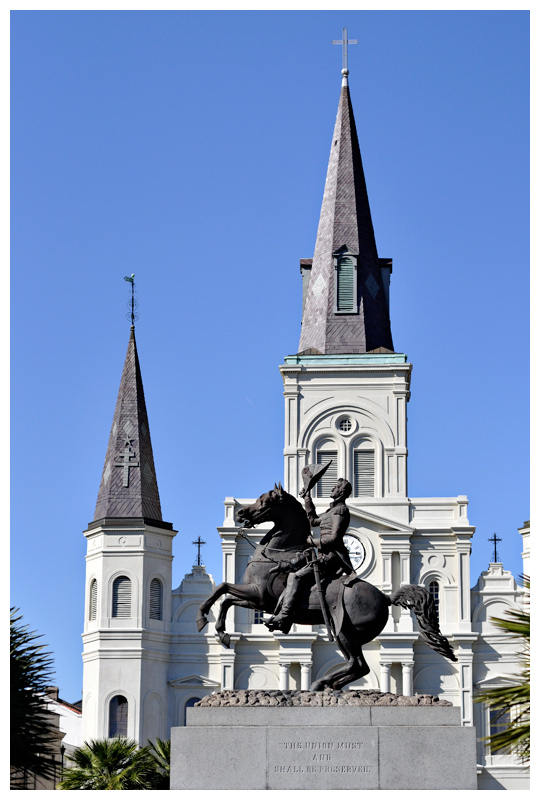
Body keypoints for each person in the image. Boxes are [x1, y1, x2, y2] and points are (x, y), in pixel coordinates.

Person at [265, 478, 356, 634]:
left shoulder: (341, 511)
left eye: (335, 487)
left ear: (341, 491)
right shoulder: (331, 511)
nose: (332, 489)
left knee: (296, 576)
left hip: (331, 557)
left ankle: (285, 616)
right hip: (322, 555)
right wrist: (307, 498)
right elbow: (313, 521)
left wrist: (312, 542)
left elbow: (335, 538)